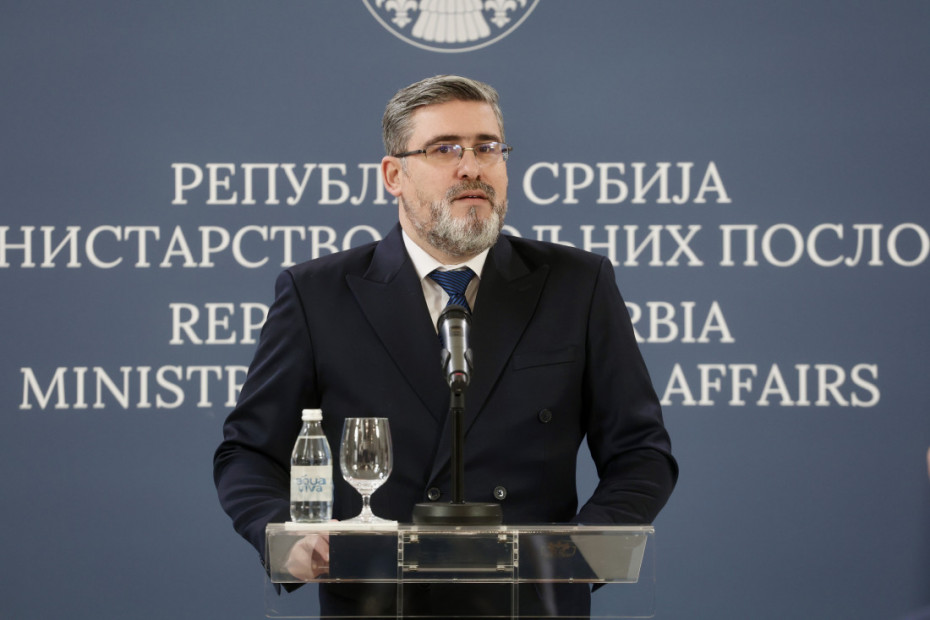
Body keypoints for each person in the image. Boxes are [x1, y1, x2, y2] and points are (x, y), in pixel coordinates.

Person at [213, 74, 678, 617]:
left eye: (487, 147)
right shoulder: (317, 294)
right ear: (395, 175)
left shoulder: (577, 284)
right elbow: (248, 452)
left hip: (531, 605)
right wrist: (284, 535)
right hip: (378, 604)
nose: (471, 167)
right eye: (445, 149)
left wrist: (576, 556)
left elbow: (641, 453)